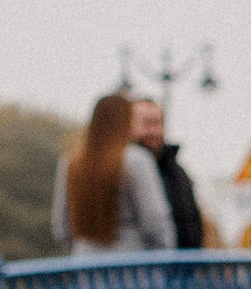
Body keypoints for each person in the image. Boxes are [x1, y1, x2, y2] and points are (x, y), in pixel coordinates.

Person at [54, 92, 177, 254]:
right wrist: (167, 254)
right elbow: (154, 221)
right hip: (133, 266)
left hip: (85, 266)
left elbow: (61, 228)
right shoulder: (135, 159)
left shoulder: (71, 162)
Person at [129, 97, 207, 251]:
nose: (154, 131)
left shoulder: (176, 171)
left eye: (158, 123)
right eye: (147, 123)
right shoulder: (126, 168)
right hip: (146, 267)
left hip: (182, 267)